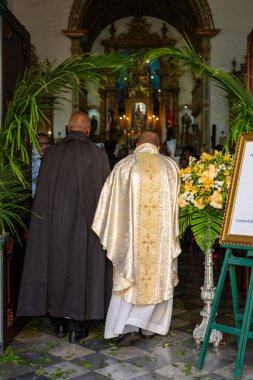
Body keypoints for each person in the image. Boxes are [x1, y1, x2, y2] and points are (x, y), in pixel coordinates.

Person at [17, 111, 112, 343]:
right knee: (82, 268)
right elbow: (106, 196)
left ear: (69, 129)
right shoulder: (99, 155)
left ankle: (57, 321)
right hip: (88, 226)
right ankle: (77, 325)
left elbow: (42, 194)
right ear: (88, 131)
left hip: (54, 223)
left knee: (56, 265)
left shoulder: (52, 153)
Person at [92, 130, 181, 345]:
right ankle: (150, 326)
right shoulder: (171, 167)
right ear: (159, 146)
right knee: (157, 278)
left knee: (129, 276)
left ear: (137, 144)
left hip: (131, 243)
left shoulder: (124, 166)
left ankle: (122, 326)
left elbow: (110, 207)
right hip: (160, 242)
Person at [32, 132, 50, 198]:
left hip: (47, 193)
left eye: (46, 143)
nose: (45, 146)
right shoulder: (31, 156)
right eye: (41, 143)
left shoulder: (51, 153)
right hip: (34, 193)